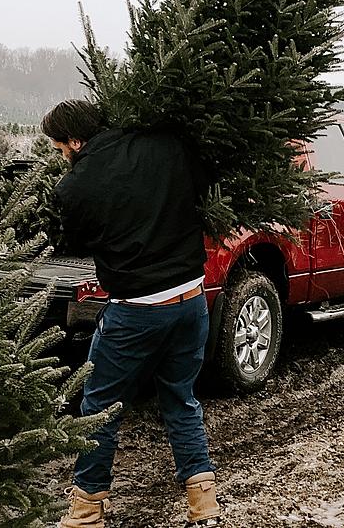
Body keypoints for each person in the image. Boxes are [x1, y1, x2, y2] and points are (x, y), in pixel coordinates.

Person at [41, 99, 223, 528]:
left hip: (137, 312)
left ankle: (86, 513)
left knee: (100, 406)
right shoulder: (166, 144)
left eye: (58, 147)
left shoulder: (74, 187)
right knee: (181, 399)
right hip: (191, 301)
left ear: (73, 140)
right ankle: (204, 506)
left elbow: (79, 242)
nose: (60, 155)